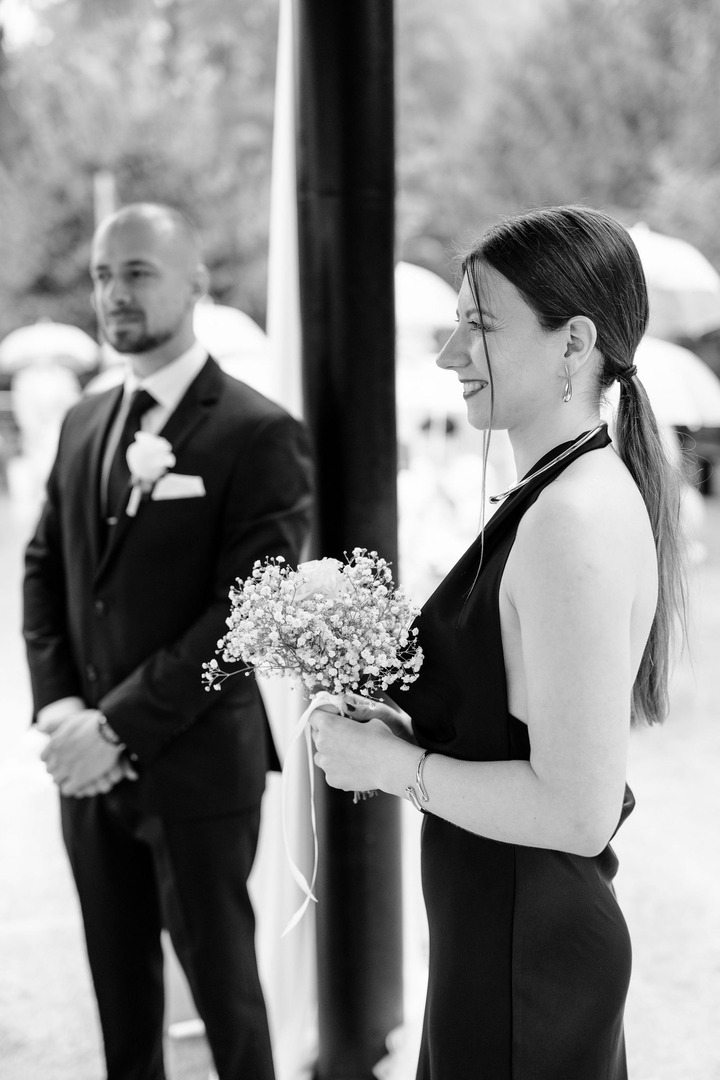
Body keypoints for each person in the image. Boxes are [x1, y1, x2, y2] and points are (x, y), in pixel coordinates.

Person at [309, 206, 687, 1079]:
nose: (449, 356)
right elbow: (516, 737)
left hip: (528, 955)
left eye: (478, 326)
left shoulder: (573, 515)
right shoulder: (560, 491)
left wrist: (387, 768)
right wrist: (411, 732)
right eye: (455, 326)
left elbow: (575, 809)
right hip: (501, 929)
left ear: (574, 343)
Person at [23, 202, 314, 1080]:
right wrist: (66, 708)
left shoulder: (259, 432)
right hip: (88, 771)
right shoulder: (84, 420)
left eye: (139, 272)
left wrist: (114, 727)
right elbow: (44, 565)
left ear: (196, 281)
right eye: (105, 275)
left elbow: (241, 618)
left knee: (227, 1002)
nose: (115, 293)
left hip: (195, 770)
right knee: (119, 1003)